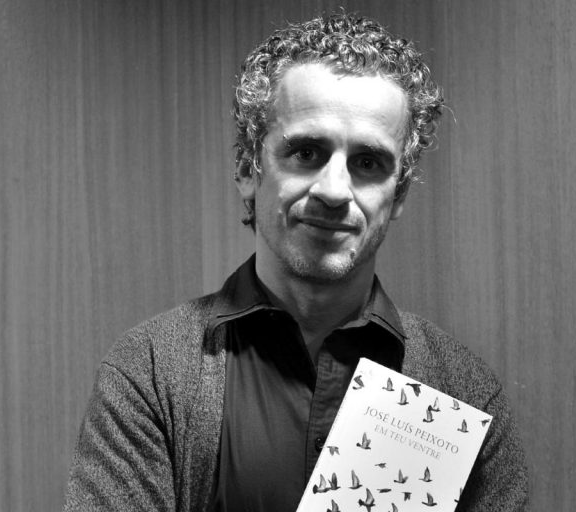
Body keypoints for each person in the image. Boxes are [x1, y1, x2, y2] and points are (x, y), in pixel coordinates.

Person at [64, 13, 529, 512]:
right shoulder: (150, 373)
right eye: (307, 152)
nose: (334, 191)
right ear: (248, 170)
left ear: (397, 196)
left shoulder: (464, 395)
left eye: (367, 163)